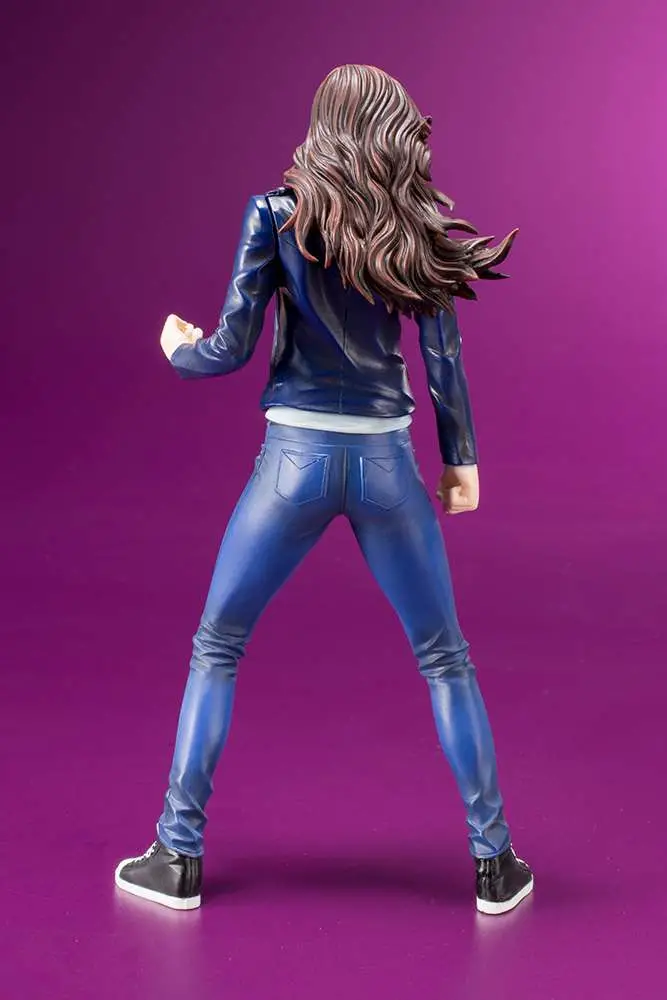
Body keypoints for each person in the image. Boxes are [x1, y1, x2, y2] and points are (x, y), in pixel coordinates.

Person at [114, 64, 533, 916]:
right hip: (387, 466)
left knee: (217, 646)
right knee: (444, 658)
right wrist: (462, 460)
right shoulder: (413, 220)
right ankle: (495, 864)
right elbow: (442, 357)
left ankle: (177, 853)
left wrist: (179, 349)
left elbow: (231, 348)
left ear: (323, 123)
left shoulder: (274, 213)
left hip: (292, 462)